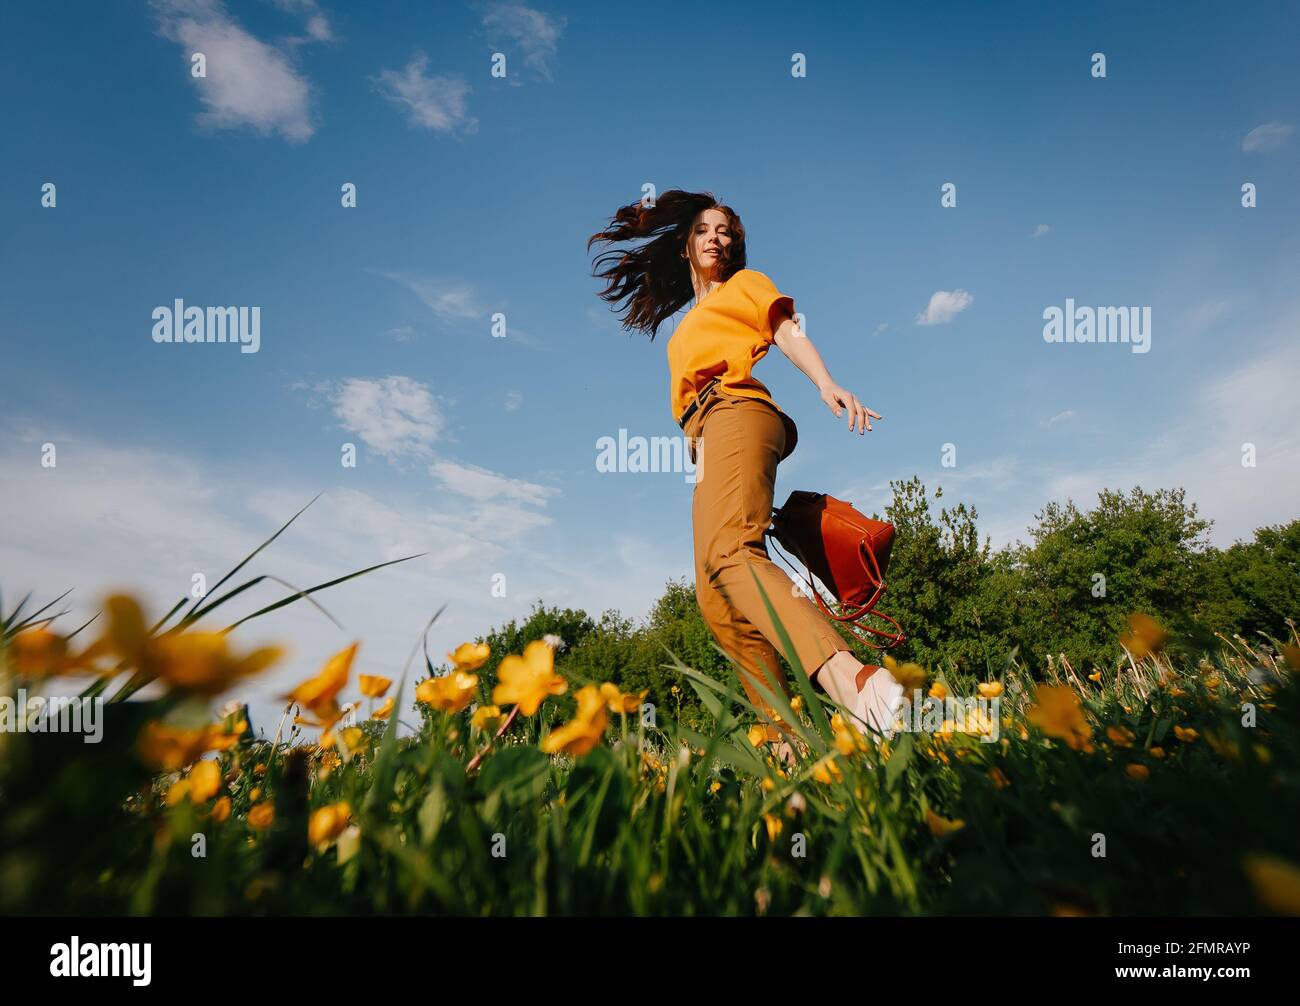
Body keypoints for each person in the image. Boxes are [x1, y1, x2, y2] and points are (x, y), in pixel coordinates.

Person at [588, 189, 904, 765]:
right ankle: (786, 744)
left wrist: (826, 383)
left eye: (726, 232)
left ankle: (855, 684)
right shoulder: (689, 320)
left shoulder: (745, 285)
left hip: (736, 411)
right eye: (705, 229)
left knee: (733, 552)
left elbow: (786, 331)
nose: (716, 237)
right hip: (707, 437)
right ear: (686, 244)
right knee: (717, 598)